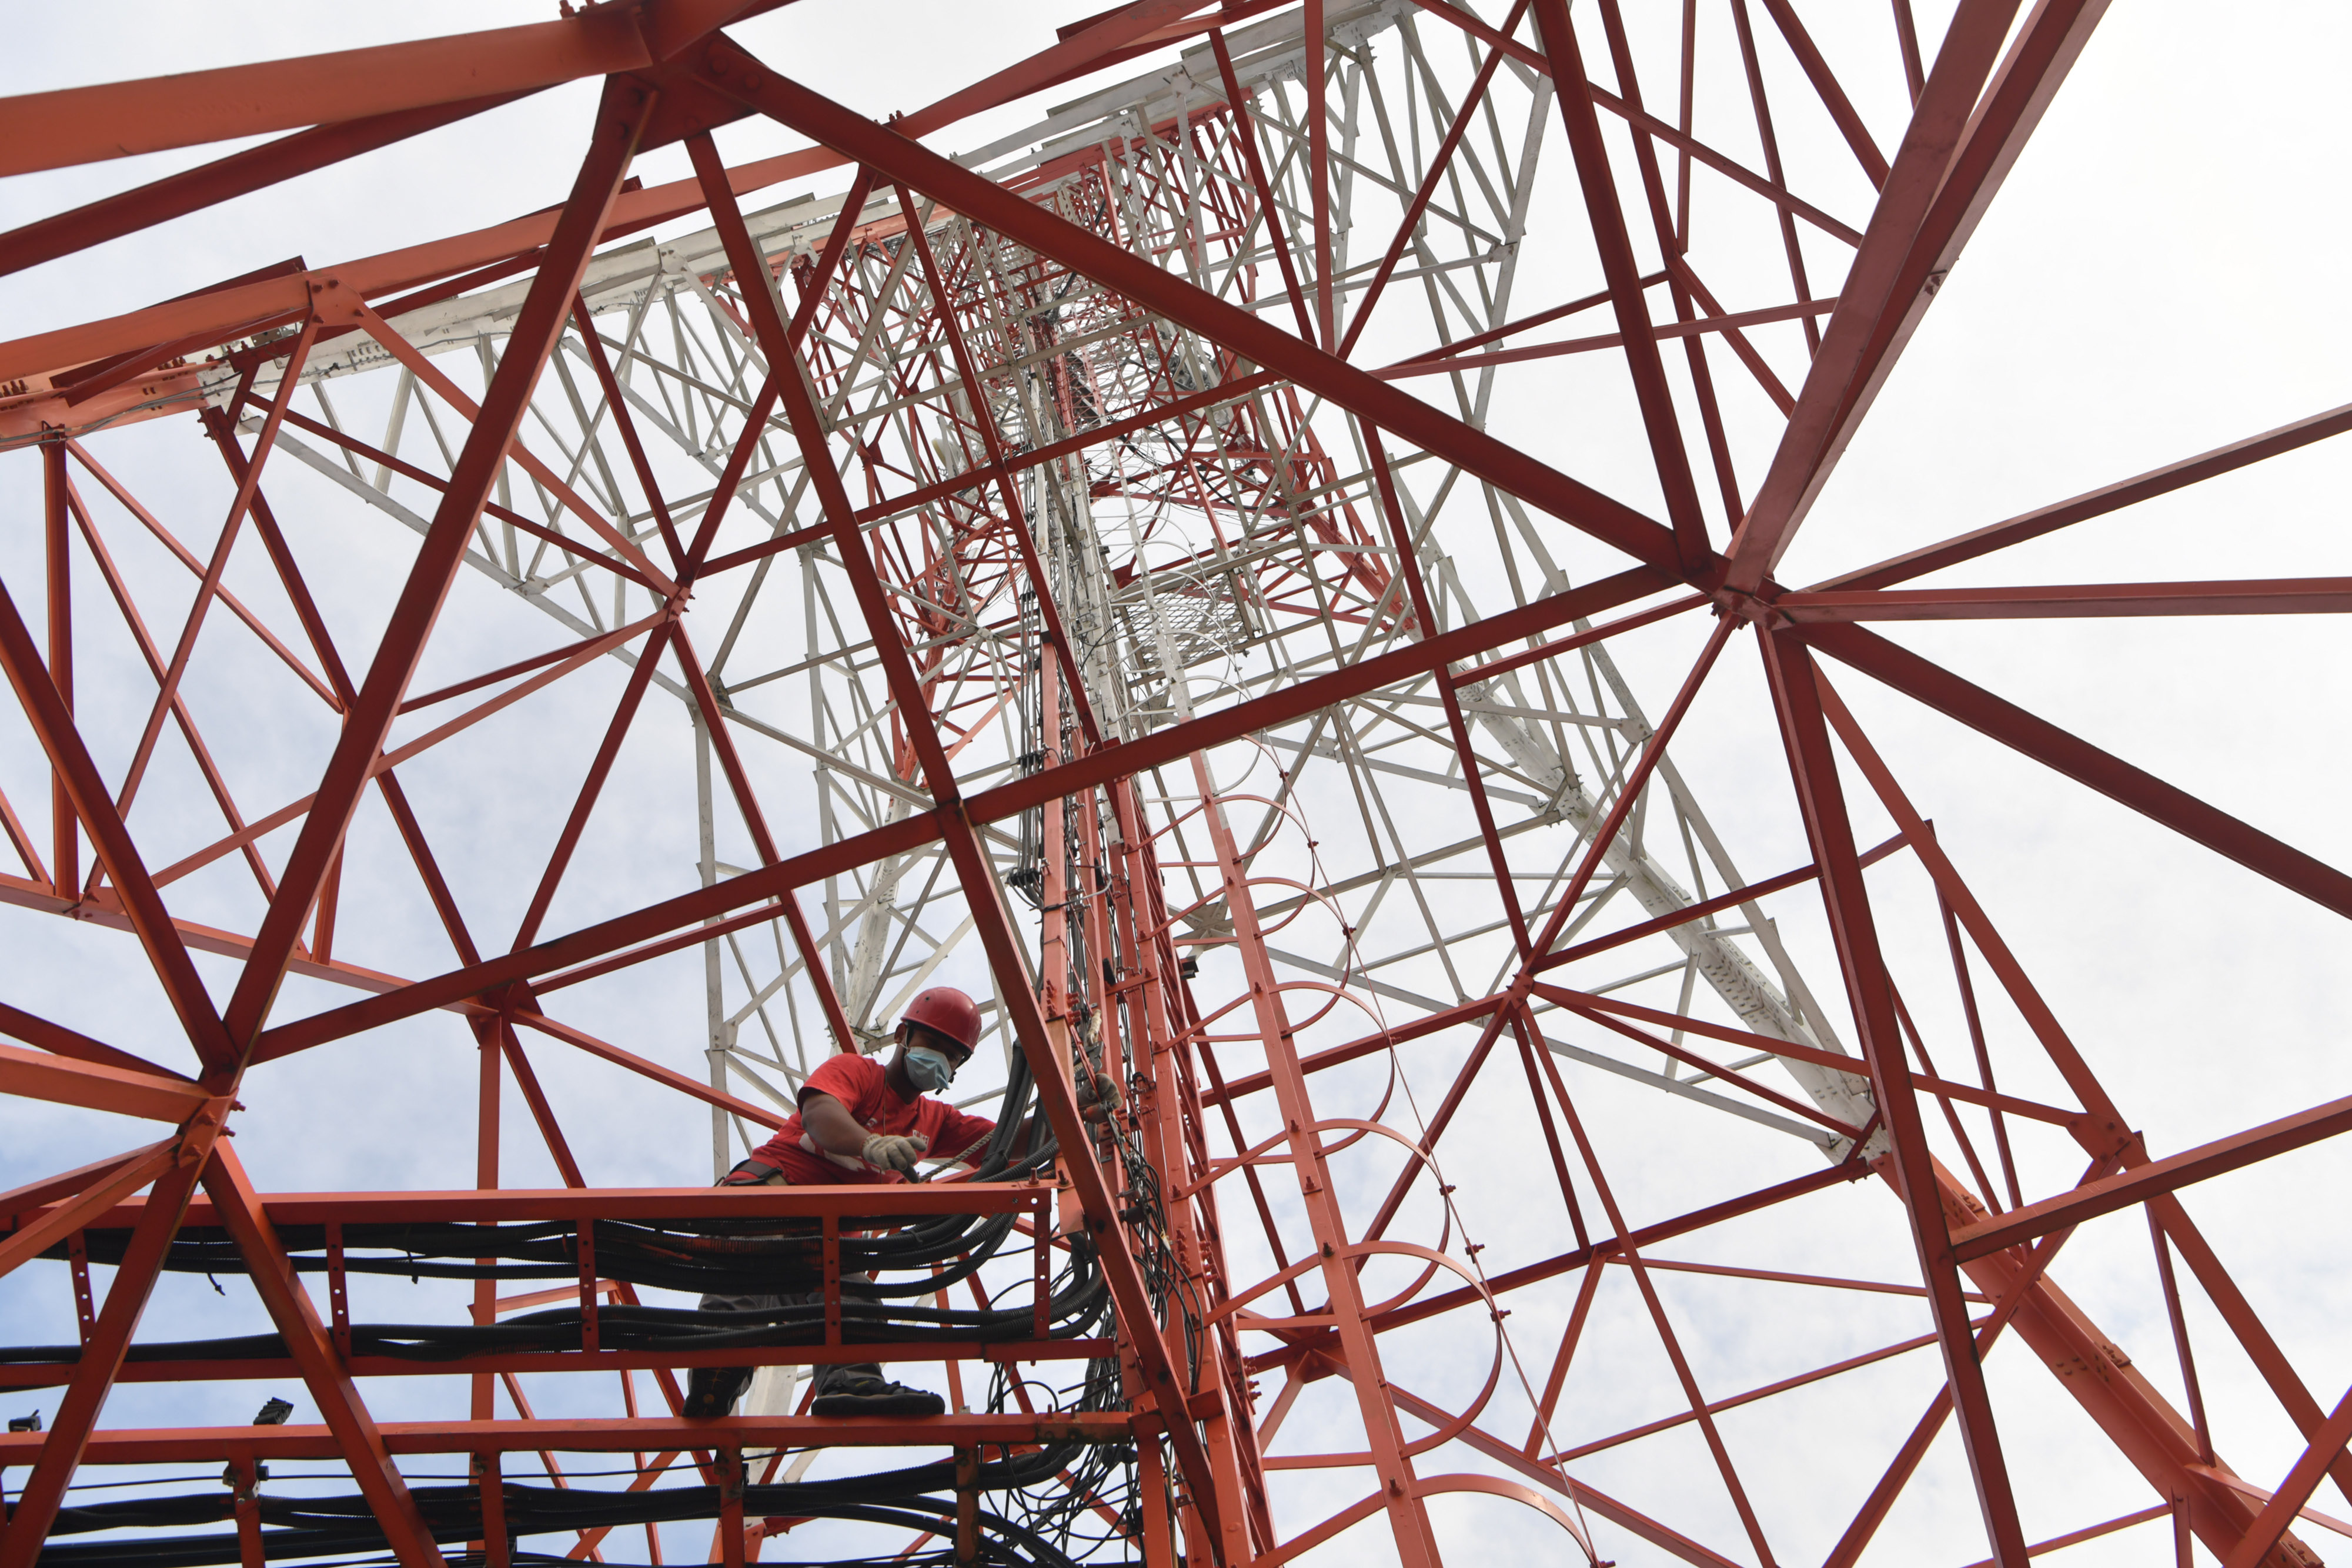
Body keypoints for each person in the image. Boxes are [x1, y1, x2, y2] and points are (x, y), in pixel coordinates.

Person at [686, 987, 997, 1419]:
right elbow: (820, 1115)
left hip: (823, 1244)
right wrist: (869, 1144)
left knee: (853, 1297)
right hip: (770, 1200)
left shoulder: (934, 1121)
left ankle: (853, 1384)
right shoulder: (858, 1072)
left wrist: (1073, 1109)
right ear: (903, 1035)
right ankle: (717, 1373)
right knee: (748, 1271)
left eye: (952, 1056)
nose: (940, 1060)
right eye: (933, 1045)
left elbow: (1006, 1142)